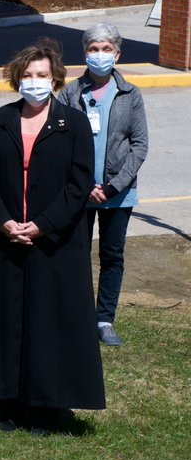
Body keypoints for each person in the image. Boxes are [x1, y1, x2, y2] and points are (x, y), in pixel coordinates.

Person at [0, 40, 103, 436]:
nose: (34, 83)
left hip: (54, 242)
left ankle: (46, 410)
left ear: (56, 79)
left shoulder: (73, 123)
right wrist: (2, 221)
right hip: (5, 239)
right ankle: (7, 407)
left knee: (49, 322)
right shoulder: (0, 120)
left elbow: (79, 184)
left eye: (41, 76)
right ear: (17, 79)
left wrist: (43, 224)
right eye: (27, 76)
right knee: (7, 320)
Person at [57, 23, 148, 348]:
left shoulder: (130, 94)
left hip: (117, 195)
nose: (99, 55)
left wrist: (111, 187)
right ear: (85, 52)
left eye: (106, 49)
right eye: (93, 49)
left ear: (117, 54)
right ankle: (77, 316)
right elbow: (60, 142)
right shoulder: (70, 92)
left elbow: (139, 146)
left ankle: (104, 318)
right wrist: (83, 185)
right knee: (75, 254)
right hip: (79, 194)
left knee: (112, 256)